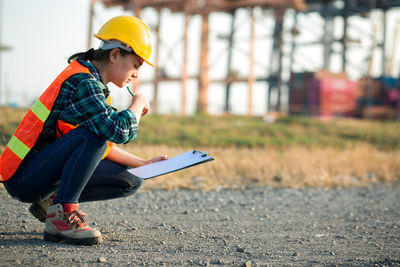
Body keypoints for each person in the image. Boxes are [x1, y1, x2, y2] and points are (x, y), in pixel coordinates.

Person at [0, 16, 167, 245]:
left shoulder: (95, 85)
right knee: (96, 134)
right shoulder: (83, 82)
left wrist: (143, 164)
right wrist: (138, 104)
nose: (137, 73)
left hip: (44, 170)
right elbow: (115, 130)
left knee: (129, 178)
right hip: (23, 177)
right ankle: (63, 216)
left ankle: (51, 203)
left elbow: (101, 146)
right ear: (115, 55)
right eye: (136, 64)